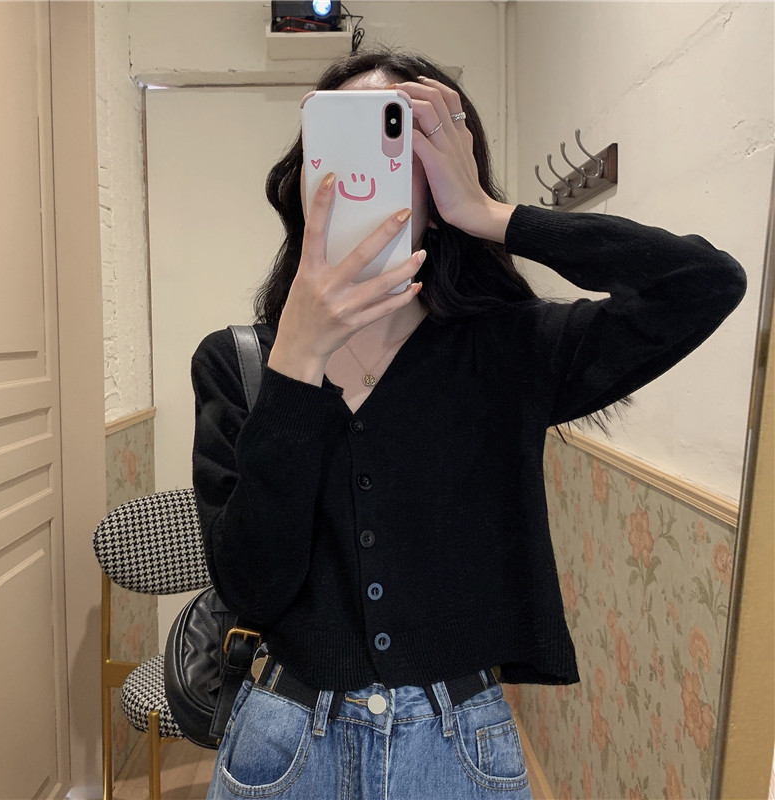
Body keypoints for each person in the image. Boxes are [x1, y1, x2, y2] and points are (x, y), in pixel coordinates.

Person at [192, 48, 745, 800]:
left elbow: (704, 285)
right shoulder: (242, 364)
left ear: (445, 168)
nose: (367, 171)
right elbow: (252, 589)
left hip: (457, 747)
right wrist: (297, 360)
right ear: (307, 170)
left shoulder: (510, 349)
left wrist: (492, 216)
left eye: (403, 138)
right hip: (283, 743)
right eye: (344, 139)